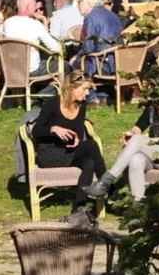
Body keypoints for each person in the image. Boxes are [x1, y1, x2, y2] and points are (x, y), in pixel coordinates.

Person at [30, 72, 104, 219]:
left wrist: (76, 138)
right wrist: (53, 129)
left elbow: (78, 131)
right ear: (71, 87)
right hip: (49, 153)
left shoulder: (81, 105)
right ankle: (110, 188)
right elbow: (36, 131)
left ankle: (78, 209)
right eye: (84, 89)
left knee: (89, 163)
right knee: (91, 145)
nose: (87, 93)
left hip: (69, 150)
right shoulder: (52, 103)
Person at [0, 0, 62, 76]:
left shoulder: (7, 23)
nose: (36, 8)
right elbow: (55, 48)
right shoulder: (36, 24)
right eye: (34, 5)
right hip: (32, 70)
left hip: (12, 69)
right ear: (28, 6)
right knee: (64, 65)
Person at [75, 0, 123, 75]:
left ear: (88, 2)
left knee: (72, 65)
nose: (77, 6)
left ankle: (88, 84)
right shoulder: (112, 14)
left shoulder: (90, 18)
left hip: (101, 64)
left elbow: (89, 48)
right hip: (118, 62)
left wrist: (78, 56)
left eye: (79, 2)